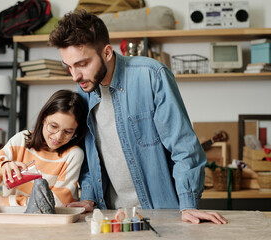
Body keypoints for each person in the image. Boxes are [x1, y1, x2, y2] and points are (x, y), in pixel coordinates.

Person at [49, 10, 227, 224]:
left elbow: (184, 146)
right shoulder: (84, 90)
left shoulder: (151, 75)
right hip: (111, 216)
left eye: (82, 64)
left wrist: (188, 204)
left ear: (106, 52)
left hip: (160, 214)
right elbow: (88, 155)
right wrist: (88, 197)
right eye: (69, 66)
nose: (75, 76)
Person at [0, 90, 87, 207]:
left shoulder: (73, 155)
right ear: (44, 118)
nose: (58, 136)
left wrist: (7, 202)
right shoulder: (21, 140)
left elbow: (57, 203)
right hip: (14, 218)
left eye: (68, 131)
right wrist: (1, 166)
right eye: (54, 126)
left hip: (48, 222)